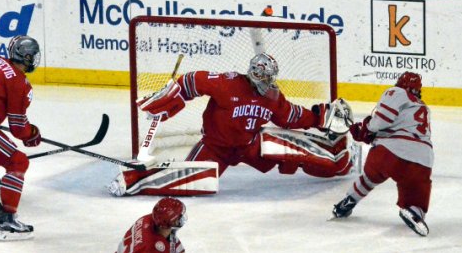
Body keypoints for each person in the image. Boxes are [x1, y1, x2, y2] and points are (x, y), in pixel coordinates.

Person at [109, 53, 355, 196]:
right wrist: (169, 97)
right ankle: (133, 180)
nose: (268, 82)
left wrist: (320, 117)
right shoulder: (228, 84)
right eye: (264, 77)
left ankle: (340, 158)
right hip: (216, 149)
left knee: (295, 155)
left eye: (270, 78)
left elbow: (289, 116)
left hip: (250, 144)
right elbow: (193, 81)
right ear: (254, 74)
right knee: (192, 181)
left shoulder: (272, 96)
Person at [331, 71, 433, 237]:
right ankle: (415, 211)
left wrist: (367, 129)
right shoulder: (424, 108)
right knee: (416, 192)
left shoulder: (397, 92)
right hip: (422, 160)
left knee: (371, 177)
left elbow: (382, 120)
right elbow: (405, 130)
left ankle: (349, 200)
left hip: (388, 154)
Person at [0, 35, 41, 240]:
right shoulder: (20, 83)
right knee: (17, 161)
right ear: (27, 57)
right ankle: (7, 222)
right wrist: (33, 134)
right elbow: (19, 128)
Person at [116, 197, 187, 253]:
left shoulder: (149, 219)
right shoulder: (152, 249)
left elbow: (173, 242)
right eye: (179, 218)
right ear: (171, 223)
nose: (181, 219)